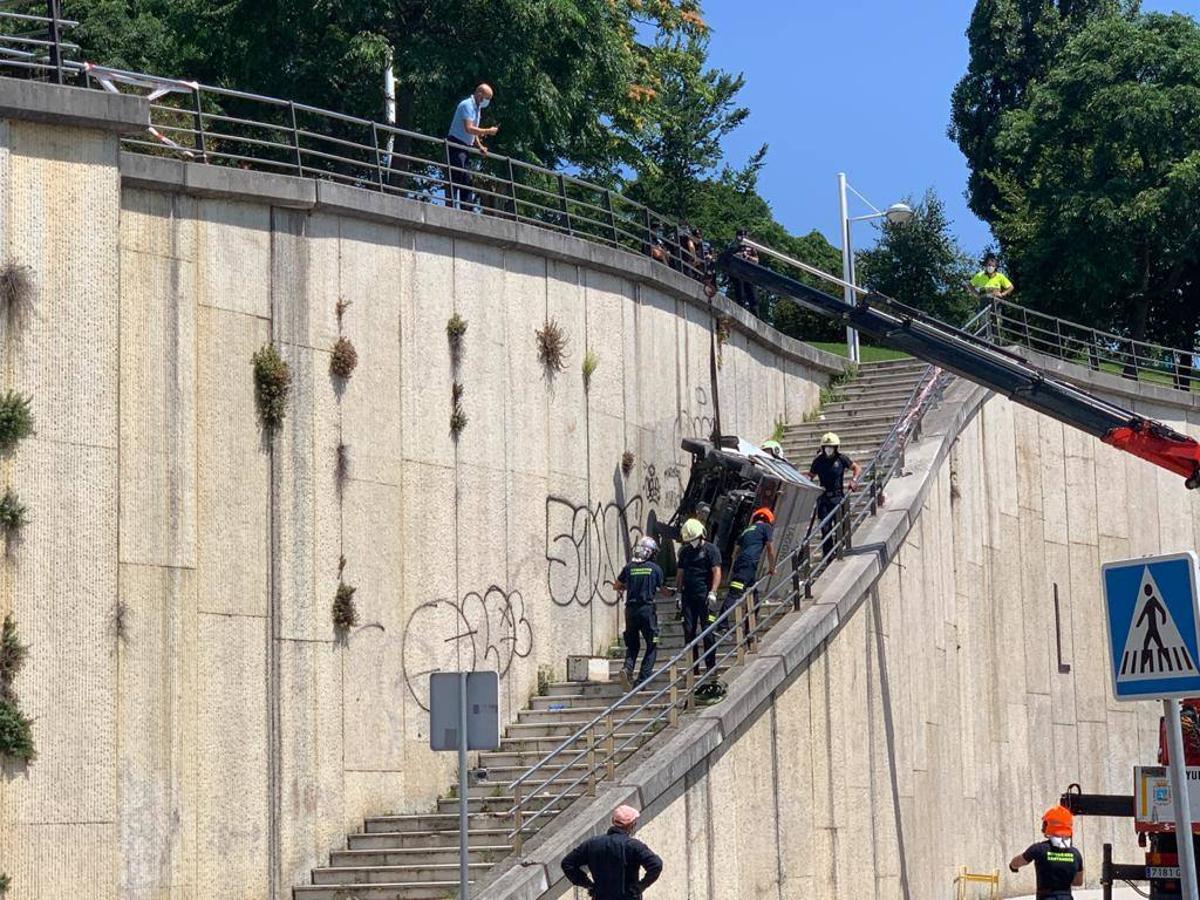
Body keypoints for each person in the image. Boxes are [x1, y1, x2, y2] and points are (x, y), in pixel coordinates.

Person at [562, 804, 663, 900]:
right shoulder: (633, 845)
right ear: (631, 825)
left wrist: (588, 884)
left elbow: (567, 863)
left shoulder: (592, 844)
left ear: (613, 821)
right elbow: (656, 864)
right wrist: (640, 887)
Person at [713, 507, 777, 654]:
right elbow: (770, 549)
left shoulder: (746, 530)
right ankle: (722, 625)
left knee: (753, 600)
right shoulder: (765, 528)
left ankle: (750, 634)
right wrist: (772, 567)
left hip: (743, 565)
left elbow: (735, 552)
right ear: (768, 520)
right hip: (748, 566)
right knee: (734, 595)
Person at [675, 518, 723, 701]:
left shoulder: (710, 550)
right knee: (689, 632)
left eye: (693, 539)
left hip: (705, 598)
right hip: (688, 598)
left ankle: (711, 666)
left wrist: (713, 592)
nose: (692, 542)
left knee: (708, 632)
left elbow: (716, 571)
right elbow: (680, 574)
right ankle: (693, 667)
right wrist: (679, 595)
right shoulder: (685, 552)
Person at [614, 536, 665, 690]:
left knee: (633, 645)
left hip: (630, 611)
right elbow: (662, 589)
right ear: (650, 553)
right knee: (651, 645)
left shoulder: (629, 567)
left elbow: (617, 585)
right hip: (647, 610)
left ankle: (628, 669)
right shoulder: (655, 569)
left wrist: (627, 586)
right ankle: (642, 680)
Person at [1008, 805, 1083, 898]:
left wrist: (1012, 866)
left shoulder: (1039, 849)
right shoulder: (1076, 854)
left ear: (1048, 826)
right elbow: (1078, 882)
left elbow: (1017, 863)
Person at [806, 432, 861, 559]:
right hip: (824, 498)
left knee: (839, 526)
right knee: (825, 528)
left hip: (837, 497)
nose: (828, 450)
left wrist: (854, 480)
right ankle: (828, 556)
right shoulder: (818, 461)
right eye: (826, 447)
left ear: (836, 448)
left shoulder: (841, 459)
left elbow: (856, 468)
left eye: (831, 447)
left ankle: (839, 550)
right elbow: (811, 475)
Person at [446, 83, 499, 210]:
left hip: (465, 147)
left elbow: (473, 133)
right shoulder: (467, 105)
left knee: (466, 178)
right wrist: (488, 131)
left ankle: (466, 208)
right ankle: (454, 207)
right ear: (479, 94)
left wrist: (480, 146)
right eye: (486, 98)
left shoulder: (477, 108)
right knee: (461, 176)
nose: (487, 101)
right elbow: (469, 128)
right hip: (455, 144)